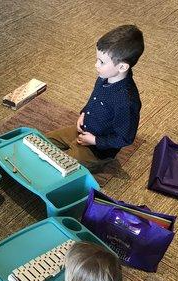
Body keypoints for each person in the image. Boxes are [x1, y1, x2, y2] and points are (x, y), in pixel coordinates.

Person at [46, 25, 144, 172]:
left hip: (98, 150)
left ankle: (99, 164)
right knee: (42, 141)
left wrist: (94, 140)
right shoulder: (104, 77)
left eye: (102, 62)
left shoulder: (126, 101)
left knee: (59, 167)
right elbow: (94, 100)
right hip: (84, 130)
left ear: (122, 67)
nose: (96, 65)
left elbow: (124, 138)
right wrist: (84, 113)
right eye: (97, 59)